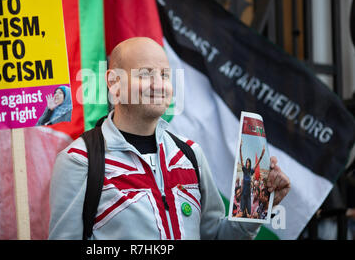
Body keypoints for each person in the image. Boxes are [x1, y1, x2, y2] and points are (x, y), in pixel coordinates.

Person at [48, 37, 291, 240]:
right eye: (145, 74)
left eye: (164, 75)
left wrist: (257, 205)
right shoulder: (80, 161)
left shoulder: (189, 154)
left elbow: (215, 236)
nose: (158, 84)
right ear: (114, 83)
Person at [239, 140, 265, 218]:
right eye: (246, 162)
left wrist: (262, 153)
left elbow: (258, 161)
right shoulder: (244, 169)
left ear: (250, 163)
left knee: (248, 213)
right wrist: (240, 148)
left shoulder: (251, 171)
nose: (247, 163)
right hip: (243, 193)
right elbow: (241, 158)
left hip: (249, 194)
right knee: (241, 211)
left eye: (248, 162)